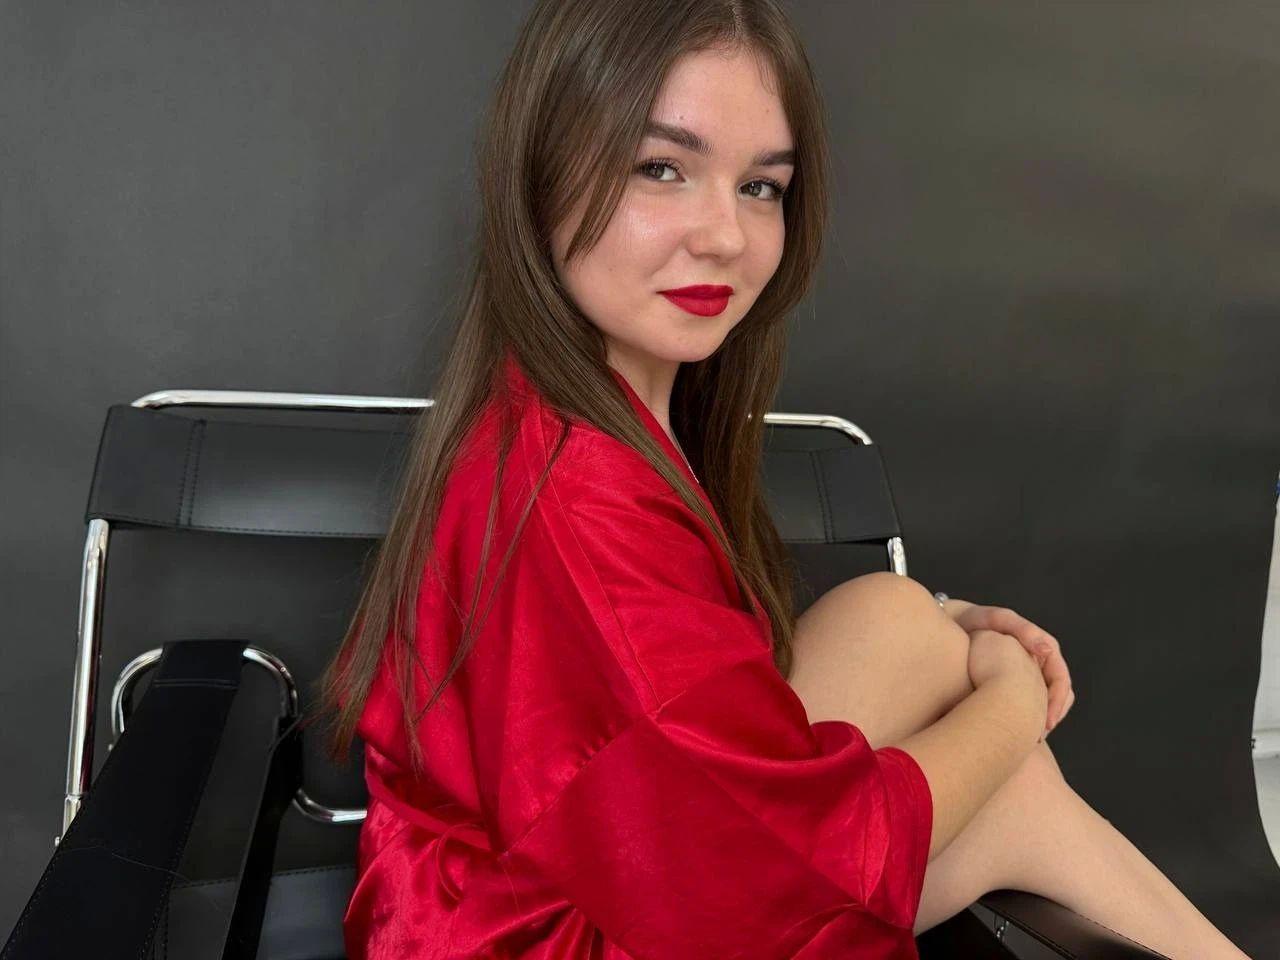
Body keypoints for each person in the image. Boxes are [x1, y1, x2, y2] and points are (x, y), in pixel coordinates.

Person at [318, 1, 1251, 957]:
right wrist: (1009, 701)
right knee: (1006, 786)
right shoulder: (574, 489)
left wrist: (953, 622)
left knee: (896, 616)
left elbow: (684, 726)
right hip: (527, 935)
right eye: (661, 168)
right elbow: (766, 868)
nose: (725, 235)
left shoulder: (584, 414)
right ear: (542, 171)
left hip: (562, 879)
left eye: (761, 187)